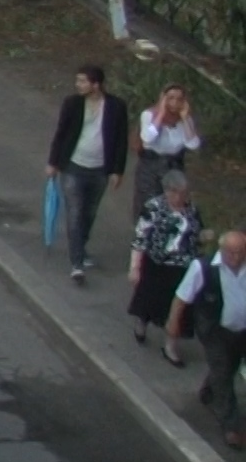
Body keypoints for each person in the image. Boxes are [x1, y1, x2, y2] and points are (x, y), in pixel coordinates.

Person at [44, 64, 130, 284]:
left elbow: (121, 140)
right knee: (75, 212)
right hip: (74, 166)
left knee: (89, 213)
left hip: (99, 169)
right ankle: (77, 263)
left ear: (96, 84)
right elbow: (61, 133)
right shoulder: (72, 104)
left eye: (83, 81)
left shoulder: (116, 107)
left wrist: (117, 170)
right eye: (78, 80)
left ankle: (81, 247)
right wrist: (53, 162)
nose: (78, 85)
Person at [168, 229, 246, 449]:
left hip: (242, 330)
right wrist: (173, 324)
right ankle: (231, 425)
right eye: (232, 252)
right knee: (223, 370)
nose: (236, 258)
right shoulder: (203, 267)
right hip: (214, 329)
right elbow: (181, 298)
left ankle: (208, 390)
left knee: (230, 365)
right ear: (222, 249)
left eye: (241, 252)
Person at [130, 170, 201, 363]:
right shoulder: (153, 207)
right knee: (149, 299)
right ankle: (142, 322)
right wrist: (135, 267)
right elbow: (140, 238)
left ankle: (170, 346)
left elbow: (196, 234)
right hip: (157, 264)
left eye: (184, 193)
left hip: (182, 266)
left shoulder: (192, 209)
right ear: (168, 191)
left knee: (179, 309)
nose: (181, 197)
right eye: (177, 193)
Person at [133, 83, 201, 218]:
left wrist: (185, 118)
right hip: (151, 165)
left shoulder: (185, 120)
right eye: (170, 98)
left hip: (174, 165)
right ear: (163, 99)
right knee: (148, 205)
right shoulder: (149, 115)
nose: (174, 103)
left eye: (179, 99)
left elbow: (193, 144)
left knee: (172, 205)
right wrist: (161, 114)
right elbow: (148, 138)